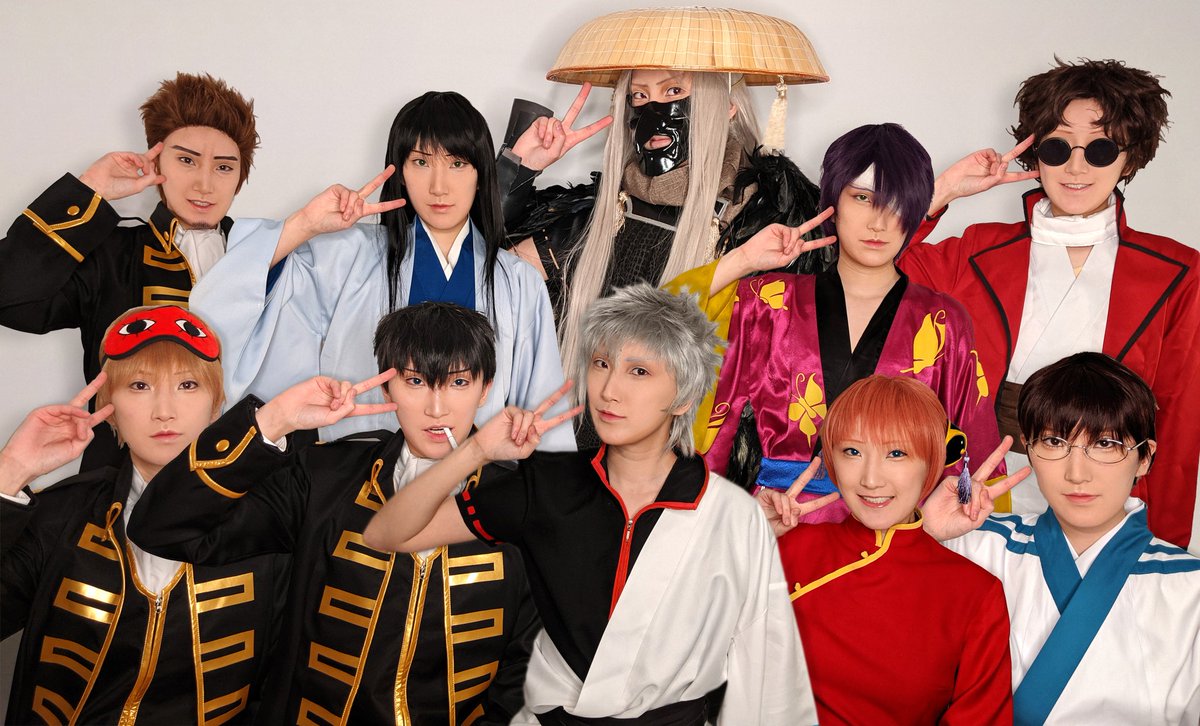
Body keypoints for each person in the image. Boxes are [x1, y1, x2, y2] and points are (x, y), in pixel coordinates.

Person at [364, 284, 817, 725]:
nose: (608, 390)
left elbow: (764, 675)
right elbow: (389, 533)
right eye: (601, 364)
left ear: (683, 396)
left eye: (639, 372)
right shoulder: (546, 484)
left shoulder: (728, 513)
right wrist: (477, 451)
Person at [129, 302, 539, 724]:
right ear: (388, 389)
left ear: (485, 389)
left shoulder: (527, 506)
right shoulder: (325, 477)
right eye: (415, 381)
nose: (437, 409)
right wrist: (274, 419)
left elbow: (527, 673)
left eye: (458, 382)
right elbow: (162, 529)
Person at [897, 58, 1200, 551]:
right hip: (986, 484)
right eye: (1058, 148)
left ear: (1129, 159)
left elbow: (1180, 423)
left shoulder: (1178, 271)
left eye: (1100, 149)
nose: (1076, 168)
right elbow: (872, 267)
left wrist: (1162, 551)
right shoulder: (976, 250)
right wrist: (943, 190)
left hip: (1105, 488)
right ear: (1035, 155)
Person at [191, 91, 572, 450]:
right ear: (400, 171)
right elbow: (222, 309)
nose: (439, 187)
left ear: (481, 173)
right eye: (421, 162)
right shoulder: (346, 255)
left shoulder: (517, 281)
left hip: (477, 486)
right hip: (355, 476)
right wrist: (305, 224)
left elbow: (542, 414)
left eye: (457, 163)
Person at [672, 124, 1001, 521]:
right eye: (862, 198)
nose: (878, 222)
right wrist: (741, 261)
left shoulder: (943, 320)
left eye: (897, 203)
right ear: (833, 202)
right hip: (781, 520)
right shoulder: (767, 301)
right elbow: (651, 337)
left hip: (890, 528)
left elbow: (971, 449)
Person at [499, 6, 830, 389]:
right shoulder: (603, 215)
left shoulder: (765, 223)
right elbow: (484, 282)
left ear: (727, 106)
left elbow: (784, 369)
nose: (652, 110)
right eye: (639, 95)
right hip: (589, 420)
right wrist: (518, 168)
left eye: (673, 91)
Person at [0, 306, 284, 724]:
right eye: (139, 385)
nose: (164, 411)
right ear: (108, 405)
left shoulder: (270, 524)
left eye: (187, 385)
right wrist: (11, 471)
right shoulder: (62, 514)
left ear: (216, 404)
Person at [922, 352, 1200, 724]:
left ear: (1145, 457)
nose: (1077, 473)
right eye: (1054, 442)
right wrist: (923, 535)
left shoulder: (1190, 587)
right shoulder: (972, 543)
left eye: (1105, 444)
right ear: (1029, 448)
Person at [0, 72, 259, 470]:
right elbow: (9, 298)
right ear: (156, 162)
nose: (204, 184)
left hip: (245, 484)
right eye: (186, 160)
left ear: (240, 177)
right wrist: (89, 190)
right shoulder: (111, 255)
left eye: (224, 167)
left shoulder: (267, 258)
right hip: (118, 483)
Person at [763, 375, 1014, 724]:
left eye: (896, 453)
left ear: (931, 462)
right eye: (852, 452)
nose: (870, 479)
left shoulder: (976, 594)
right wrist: (745, 538)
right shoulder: (787, 548)